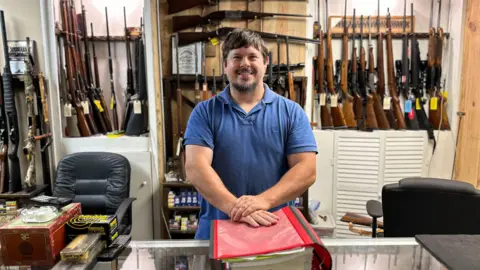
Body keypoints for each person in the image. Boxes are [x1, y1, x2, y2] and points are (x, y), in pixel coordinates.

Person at [183, 28, 317, 241]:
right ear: (225, 66)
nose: (245, 63)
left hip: (275, 232)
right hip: (217, 233)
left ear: (265, 63)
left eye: (252, 56)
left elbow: (307, 169)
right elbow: (195, 167)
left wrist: (263, 201)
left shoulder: (292, 112)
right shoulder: (205, 112)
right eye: (236, 57)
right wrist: (236, 208)